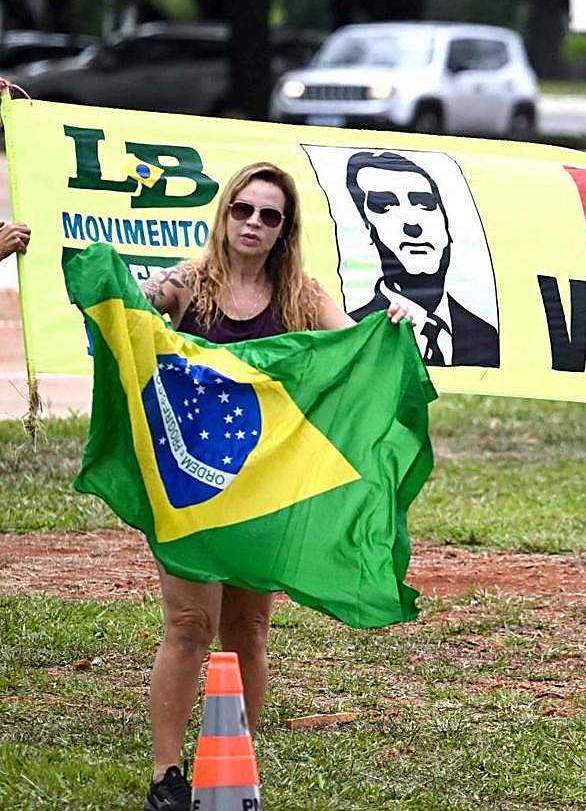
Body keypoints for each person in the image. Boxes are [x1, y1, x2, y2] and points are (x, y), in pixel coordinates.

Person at [137, 161, 412, 810]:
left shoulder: (300, 296)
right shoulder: (191, 284)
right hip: (194, 490)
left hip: (266, 496)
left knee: (249, 630)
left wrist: (391, 322)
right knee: (187, 624)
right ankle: (165, 776)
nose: (253, 224)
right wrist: (133, 295)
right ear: (225, 212)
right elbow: (141, 304)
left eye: (269, 215)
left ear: (285, 230)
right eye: (243, 210)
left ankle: (236, 766)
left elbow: (356, 346)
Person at [344, 150, 500, 367]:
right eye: (385, 206)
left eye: (424, 204)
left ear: (446, 223)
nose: (412, 224)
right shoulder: (351, 330)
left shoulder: (486, 336)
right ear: (366, 229)